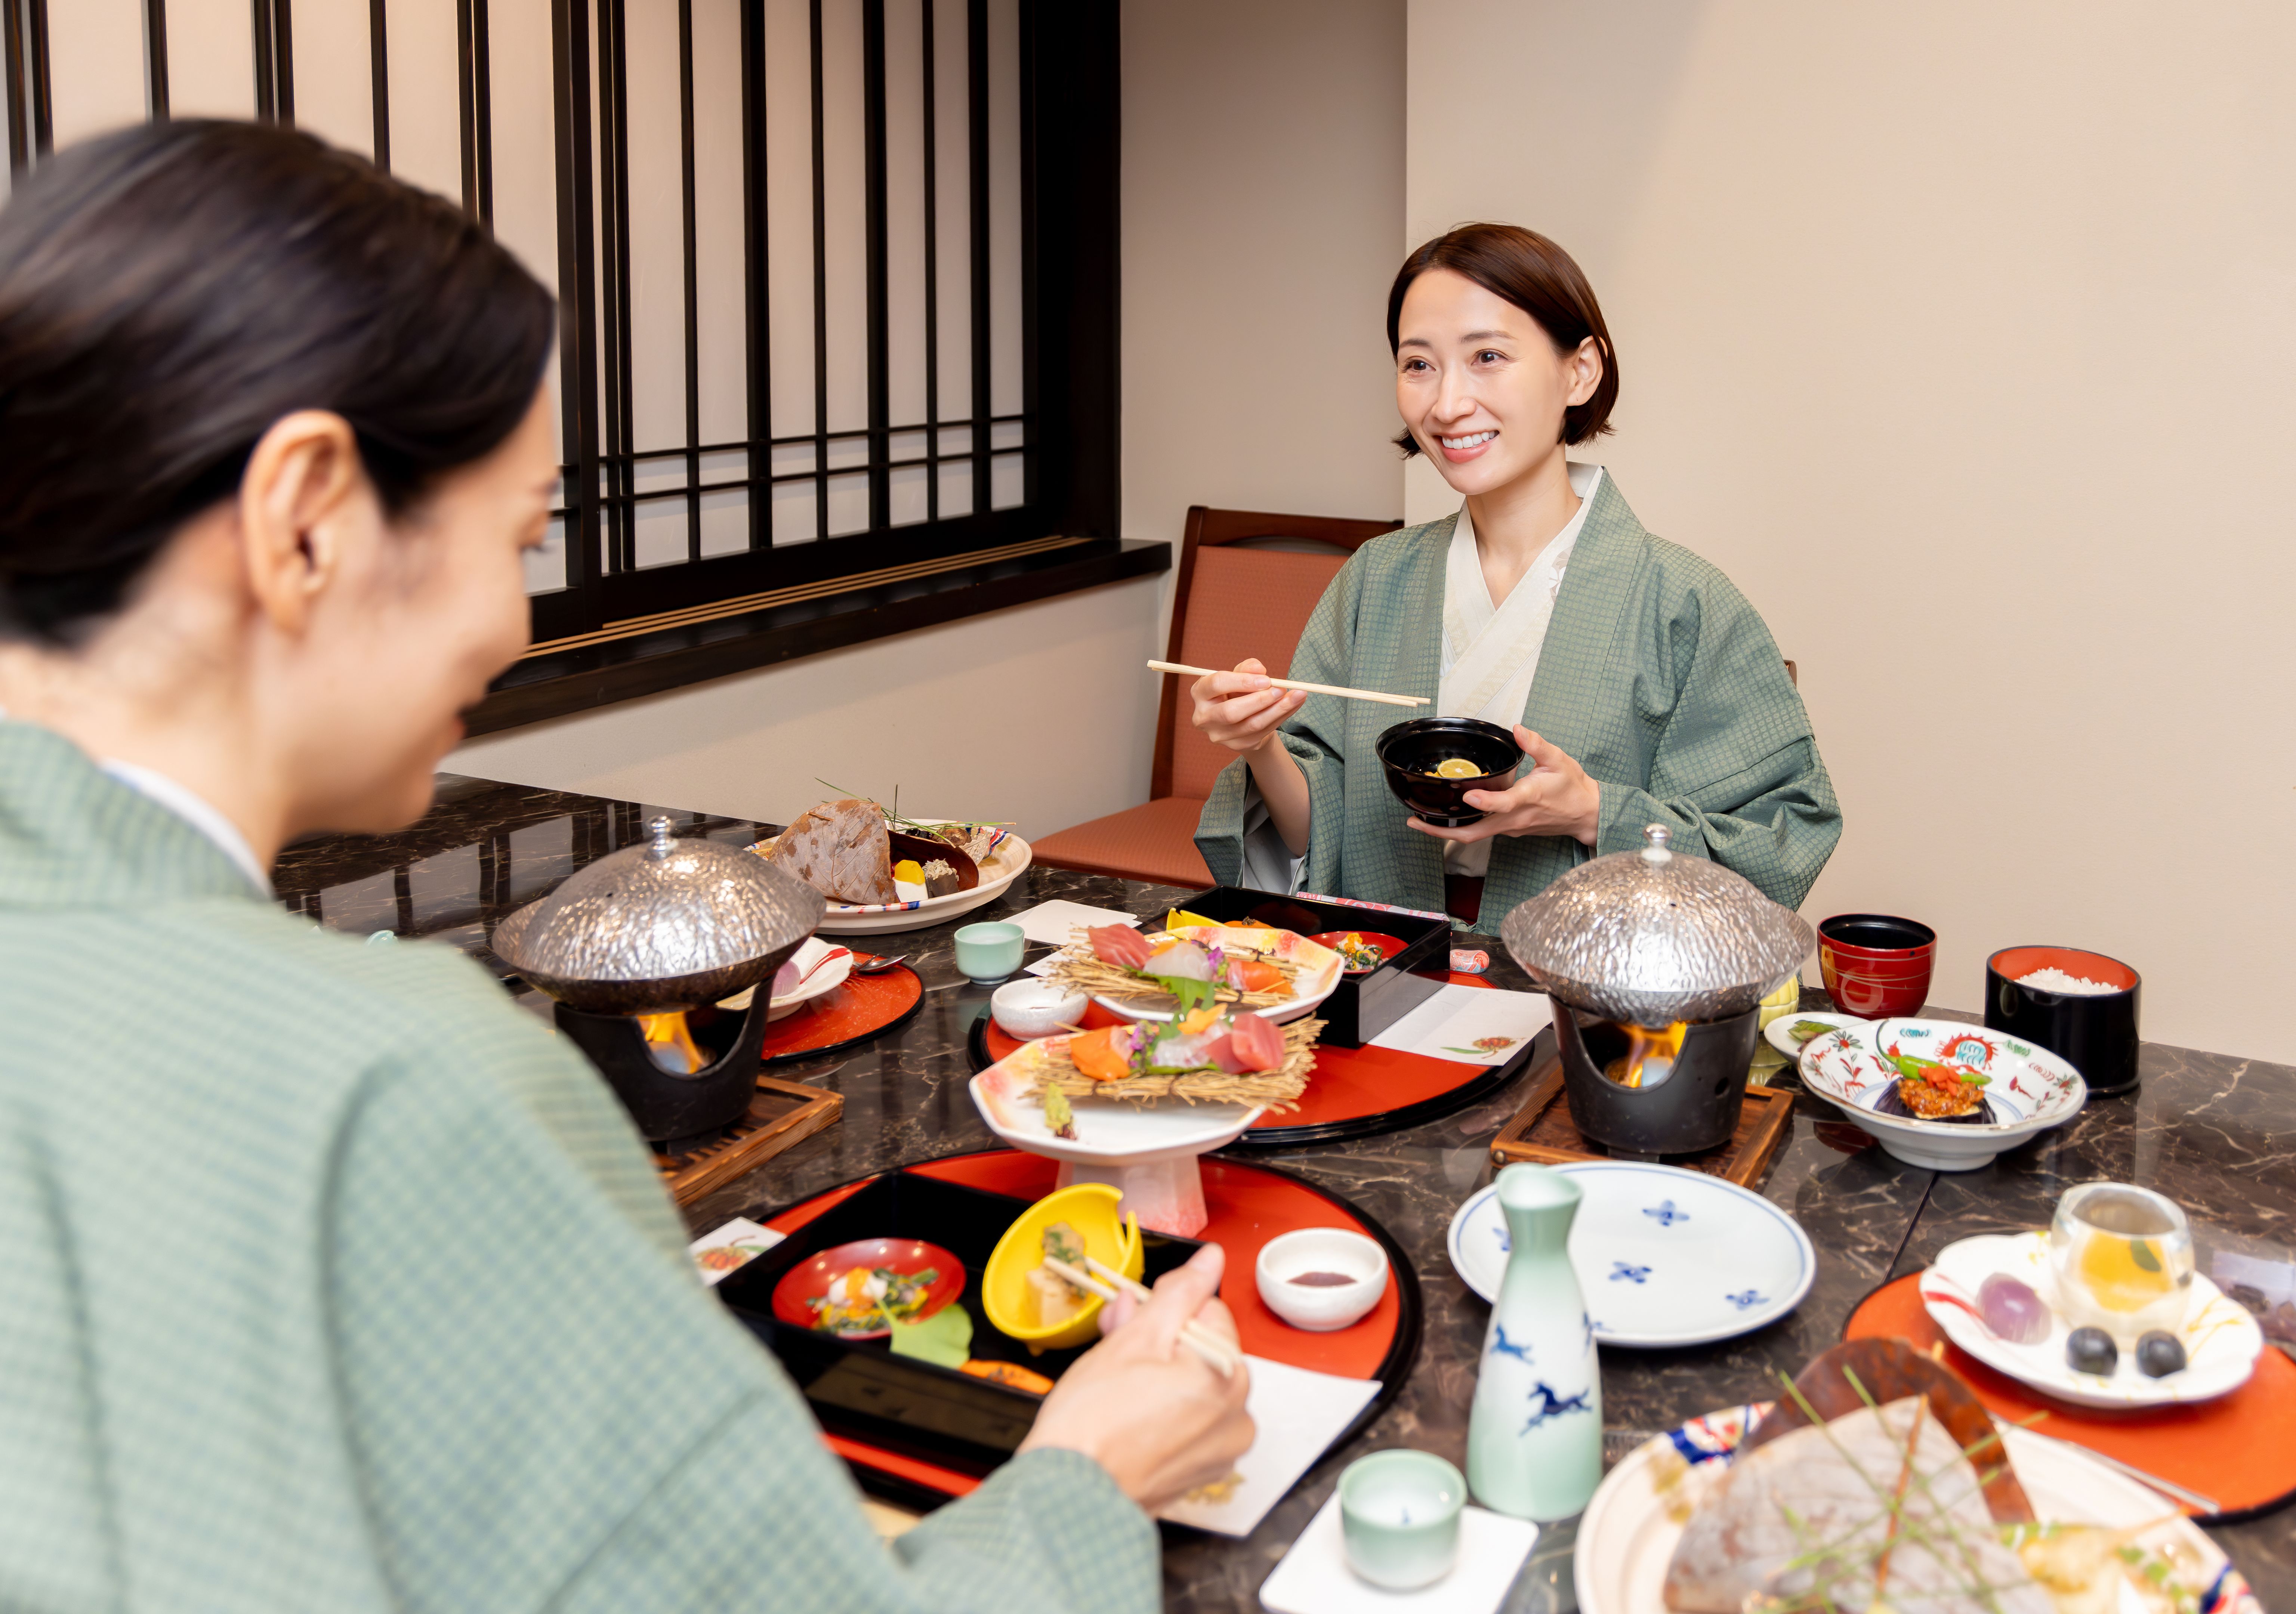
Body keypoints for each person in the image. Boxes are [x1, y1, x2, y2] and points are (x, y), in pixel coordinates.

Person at [0, 121, 1248, 1612]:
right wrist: (1088, 1478)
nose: (514, 624)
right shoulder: (396, 1079)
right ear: (307, 520)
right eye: (520, 538)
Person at [1191, 225, 1840, 931]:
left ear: (1580, 371)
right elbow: (1318, 838)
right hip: (1388, 960)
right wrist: (1260, 745)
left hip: (1575, 985)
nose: (1447, 405)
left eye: (1488, 357)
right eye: (1418, 364)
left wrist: (1594, 813)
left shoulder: (1682, 599)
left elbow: (1780, 842)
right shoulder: (1376, 578)